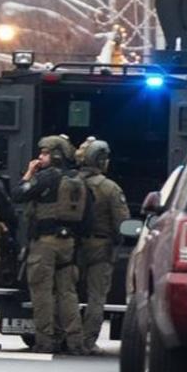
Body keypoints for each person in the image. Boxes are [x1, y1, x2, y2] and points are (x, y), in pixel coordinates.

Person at [12, 135, 93, 355]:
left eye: (45, 153)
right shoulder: (78, 180)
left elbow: (18, 194)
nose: (40, 157)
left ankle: (45, 341)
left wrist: (29, 173)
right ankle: (75, 341)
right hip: (68, 244)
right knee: (68, 293)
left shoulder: (46, 178)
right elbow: (88, 218)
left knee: (42, 293)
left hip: (44, 245)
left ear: (56, 155)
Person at [75, 137, 128, 354]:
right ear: (102, 161)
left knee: (67, 292)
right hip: (101, 246)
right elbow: (122, 223)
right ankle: (88, 341)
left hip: (74, 245)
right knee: (96, 296)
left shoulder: (71, 182)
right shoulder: (110, 188)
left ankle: (68, 337)